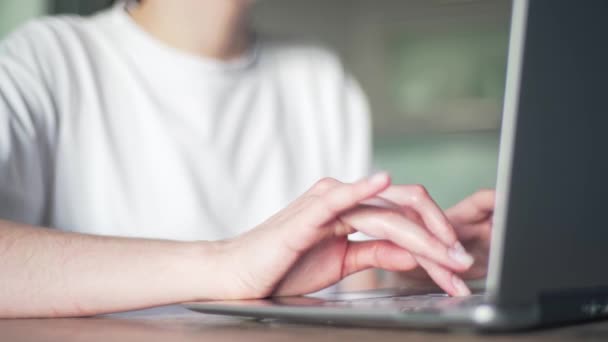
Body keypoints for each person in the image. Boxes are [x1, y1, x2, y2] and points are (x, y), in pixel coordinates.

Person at [0, 0, 495, 318]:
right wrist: (226, 265)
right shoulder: (46, 61)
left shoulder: (319, 78)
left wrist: (410, 268)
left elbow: (348, 287)